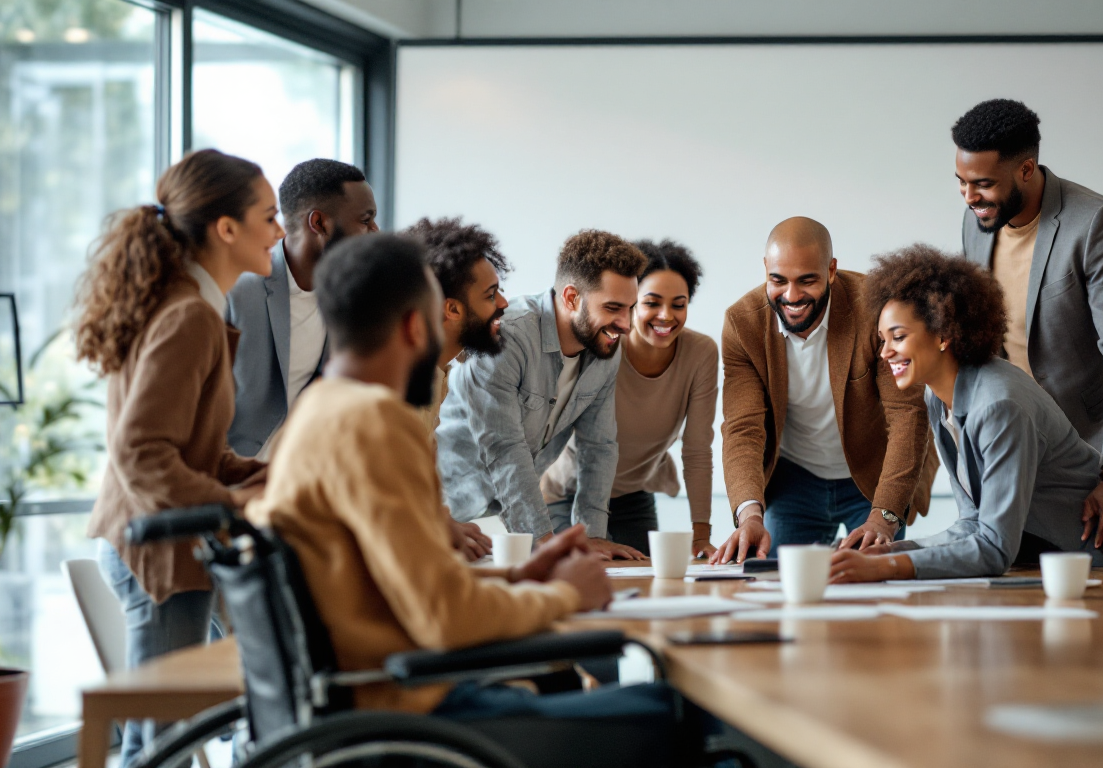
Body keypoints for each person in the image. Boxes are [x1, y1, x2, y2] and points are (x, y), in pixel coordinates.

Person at [246, 233, 706, 767]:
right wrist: (563, 596)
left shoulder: (322, 410)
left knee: (585, 688)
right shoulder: (374, 424)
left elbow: (413, 584)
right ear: (416, 326)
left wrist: (522, 577)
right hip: (411, 715)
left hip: (377, 699)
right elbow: (443, 615)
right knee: (674, 710)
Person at [77, 149, 279, 766]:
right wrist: (234, 502)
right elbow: (141, 452)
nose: (279, 231)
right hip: (158, 553)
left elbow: (194, 447)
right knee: (159, 748)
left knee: (163, 740)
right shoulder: (189, 315)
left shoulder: (192, 306)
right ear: (227, 228)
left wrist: (267, 476)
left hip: (165, 545)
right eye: (269, 216)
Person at [830, 244, 1103, 583]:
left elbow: (994, 548)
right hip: (1038, 564)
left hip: (1100, 566)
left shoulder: (1000, 405)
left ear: (942, 334)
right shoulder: (937, 397)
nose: (885, 352)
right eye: (882, 339)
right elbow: (972, 524)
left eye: (897, 337)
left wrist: (887, 567)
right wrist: (889, 552)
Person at [953, 98, 1103, 553]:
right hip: (1022, 444)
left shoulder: (1097, 223)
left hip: (1094, 447)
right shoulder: (978, 223)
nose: (969, 197)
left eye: (983, 184)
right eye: (961, 182)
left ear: (1026, 170)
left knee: (1102, 583)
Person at [711, 217, 933, 564]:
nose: (791, 296)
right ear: (766, 269)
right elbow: (742, 428)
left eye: (807, 280)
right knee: (779, 584)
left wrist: (884, 516)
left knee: (874, 583)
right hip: (794, 479)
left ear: (831, 271)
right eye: (778, 280)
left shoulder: (876, 309)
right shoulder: (743, 324)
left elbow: (907, 415)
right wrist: (750, 515)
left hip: (874, 476)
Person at [437, 230, 647, 559]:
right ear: (571, 298)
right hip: (448, 515)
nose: (626, 324)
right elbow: (505, 448)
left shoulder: (605, 347)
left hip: (509, 523)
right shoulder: (506, 336)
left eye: (631, 308)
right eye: (613, 308)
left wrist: (591, 534)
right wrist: (544, 540)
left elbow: (599, 446)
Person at [541, 239, 719, 558]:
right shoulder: (602, 349)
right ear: (631, 304)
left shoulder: (700, 354)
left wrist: (701, 534)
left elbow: (696, 450)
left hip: (634, 496)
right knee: (581, 573)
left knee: (644, 577)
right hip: (568, 493)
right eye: (652, 303)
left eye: (678, 305)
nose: (666, 315)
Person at [226, 158, 378, 459]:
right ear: (319, 223)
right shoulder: (239, 289)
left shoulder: (351, 296)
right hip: (231, 472)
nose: (375, 231)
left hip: (304, 469)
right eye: (365, 220)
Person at [402, 216, 514, 560]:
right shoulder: (398, 383)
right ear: (451, 309)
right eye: (490, 295)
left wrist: (442, 521)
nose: (503, 303)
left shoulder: (437, 374)